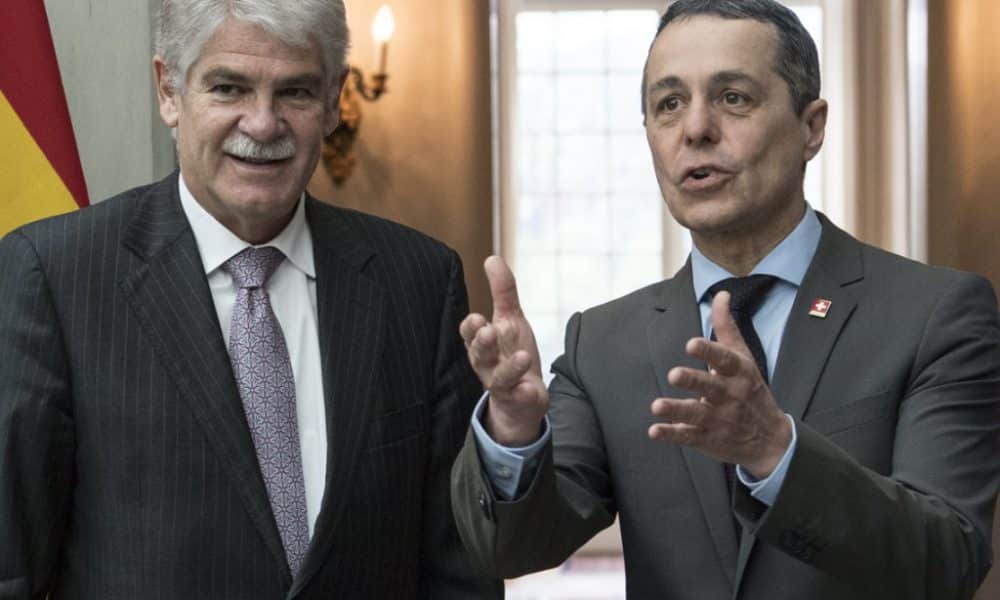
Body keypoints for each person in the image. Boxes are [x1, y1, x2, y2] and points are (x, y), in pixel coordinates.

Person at [451, 1, 1000, 598]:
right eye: (669, 104)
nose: (695, 129)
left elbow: (949, 559)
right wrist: (514, 431)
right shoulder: (602, 344)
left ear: (812, 128)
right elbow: (514, 548)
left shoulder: (935, 315)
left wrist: (774, 451)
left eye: (733, 97)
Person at [0, 1, 501, 598]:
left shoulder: (419, 280)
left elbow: (459, 566)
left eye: (295, 92)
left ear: (334, 100)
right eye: (229, 88)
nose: (263, 124)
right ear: (168, 90)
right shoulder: (57, 276)